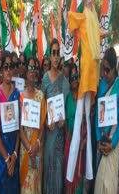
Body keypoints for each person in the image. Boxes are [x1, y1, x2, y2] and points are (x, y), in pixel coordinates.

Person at [67, 0, 111, 181]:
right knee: (79, 119)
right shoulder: (84, 14)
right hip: (85, 67)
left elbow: (98, 33)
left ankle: (88, 172)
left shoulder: (92, 16)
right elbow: (70, 18)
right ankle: (71, 172)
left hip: (94, 68)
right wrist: (72, 10)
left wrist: (107, 33)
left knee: (87, 119)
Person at [95, 47, 119, 194]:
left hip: (112, 143)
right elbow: (97, 116)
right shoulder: (101, 85)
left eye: (107, 70)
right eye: (103, 69)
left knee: (109, 186)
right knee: (99, 185)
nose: (104, 74)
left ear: (114, 69)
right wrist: (98, 141)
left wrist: (112, 144)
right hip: (101, 143)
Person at [42, 39, 69, 194]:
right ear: (49, 55)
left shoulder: (64, 81)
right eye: (53, 52)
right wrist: (46, 121)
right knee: (48, 171)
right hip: (48, 134)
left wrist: (63, 119)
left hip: (58, 136)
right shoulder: (45, 79)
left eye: (58, 53)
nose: (56, 56)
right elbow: (42, 106)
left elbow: (65, 108)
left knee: (57, 172)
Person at [0, 52, 20, 193]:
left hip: (14, 156)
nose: (9, 69)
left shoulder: (17, 94)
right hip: (2, 158)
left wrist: (15, 155)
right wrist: (7, 159)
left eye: (11, 66)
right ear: (1, 71)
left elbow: (18, 129)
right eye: (5, 67)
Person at [19, 56, 46, 193]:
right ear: (25, 71)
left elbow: (42, 126)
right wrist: (30, 148)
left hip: (37, 148)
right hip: (25, 150)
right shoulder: (20, 97)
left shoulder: (40, 96)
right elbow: (20, 129)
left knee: (35, 187)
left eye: (35, 68)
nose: (32, 71)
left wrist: (36, 145)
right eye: (30, 67)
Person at [64, 64, 86, 193]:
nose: (74, 80)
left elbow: (86, 122)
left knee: (78, 174)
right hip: (69, 142)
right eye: (72, 78)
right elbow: (66, 121)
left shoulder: (83, 98)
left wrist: (83, 141)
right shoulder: (67, 98)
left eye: (76, 77)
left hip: (80, 143)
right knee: (69, 173)